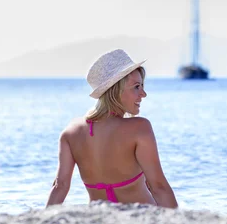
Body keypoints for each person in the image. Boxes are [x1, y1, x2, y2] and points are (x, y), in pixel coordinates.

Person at [46, 49, 178, 208]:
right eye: (136, 87)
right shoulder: (139, 128)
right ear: (116, 90)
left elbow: (59, 188)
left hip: (100, 221)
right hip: (141, 221)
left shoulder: (71, 131)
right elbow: (159, 187)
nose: (143, 94)